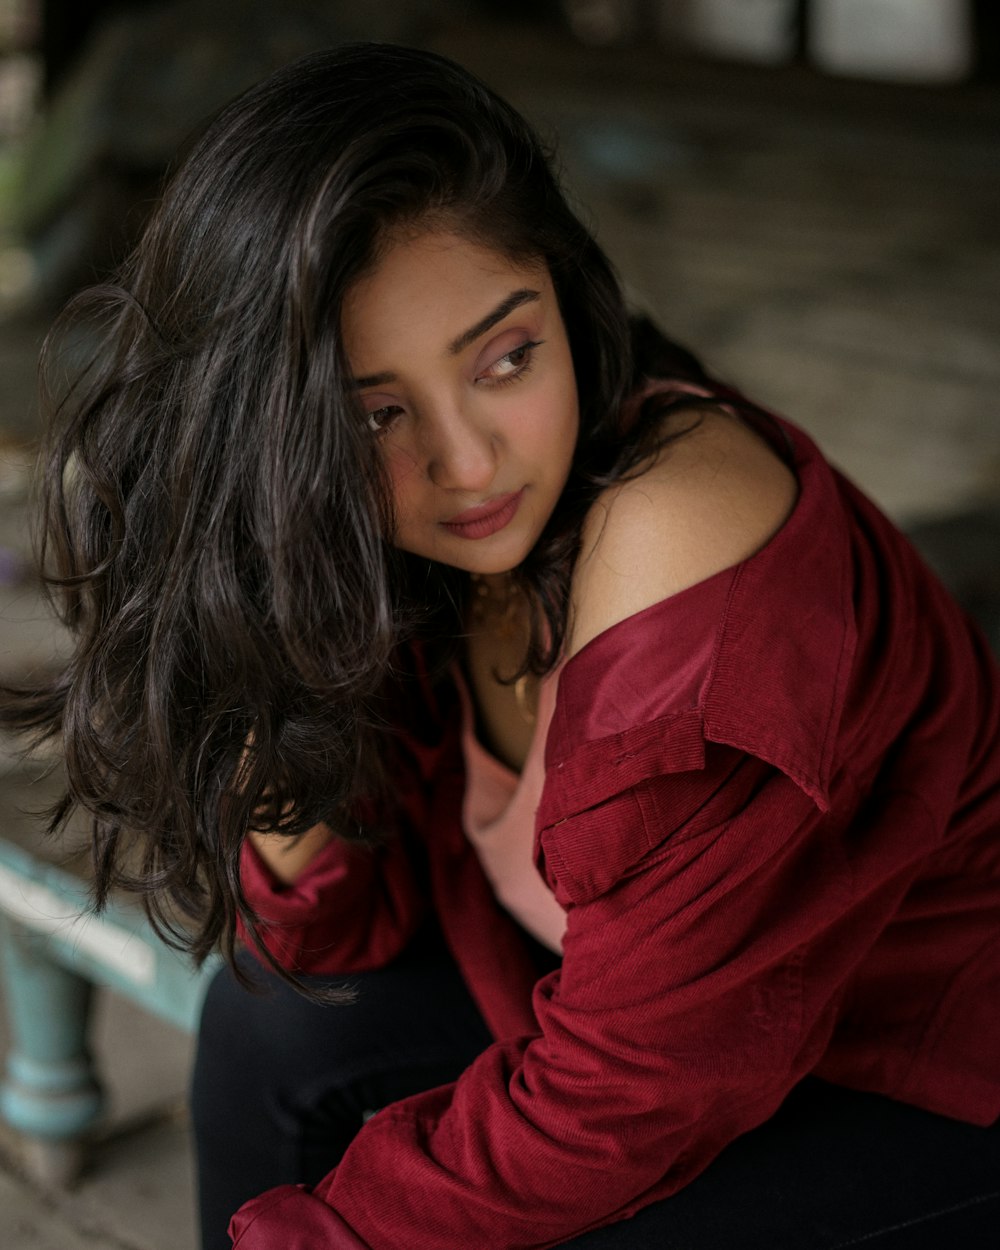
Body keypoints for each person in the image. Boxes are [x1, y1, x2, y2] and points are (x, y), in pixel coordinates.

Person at [5, 42, 999, 1250]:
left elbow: (631, 1095)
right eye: (376, 411)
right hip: (644, 1020)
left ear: (563, 303)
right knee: (276, 1029)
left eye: (506, 356)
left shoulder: (681, 526)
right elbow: (334, 932)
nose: (469, 462)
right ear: (273, 438)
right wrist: (252, 608)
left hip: (913, 1070)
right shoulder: (396, 551)